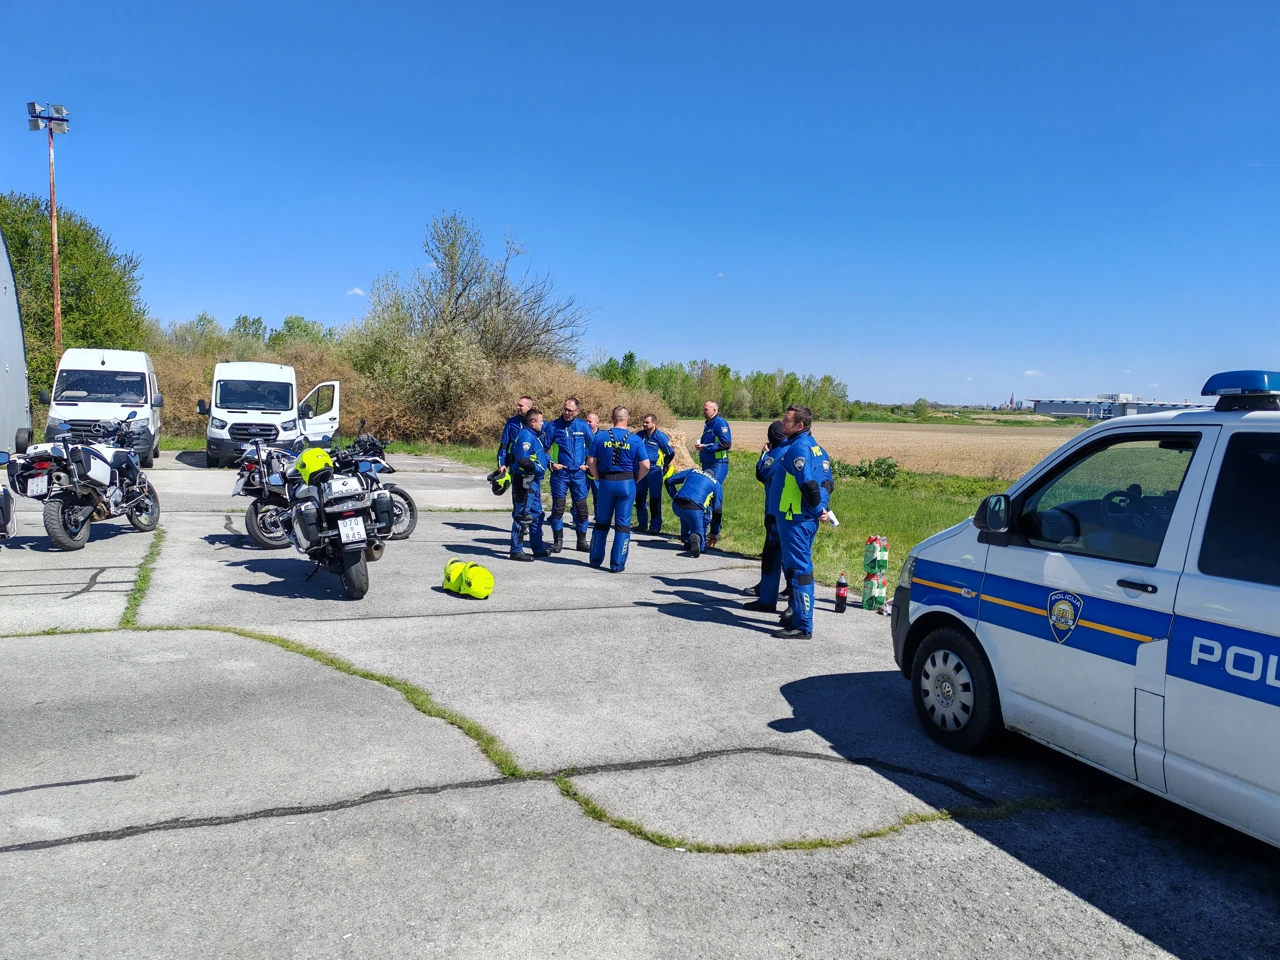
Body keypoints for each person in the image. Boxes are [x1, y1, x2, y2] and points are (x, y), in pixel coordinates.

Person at [769, 405, 834, 639]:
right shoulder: (817, 448)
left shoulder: (799, 448)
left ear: (800, 425)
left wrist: (818, 510)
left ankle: (803, 625)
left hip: (795, 518)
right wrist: (822, 507)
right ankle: (796, 614)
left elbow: (809, 484)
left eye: (786, 420)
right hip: (796, 517)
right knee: (795, 567)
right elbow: (828, 482)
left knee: (799, 570)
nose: (781, 423)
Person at [586, 406, 650, 572]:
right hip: (627, 483)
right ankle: (617, 564)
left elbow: (591, 462)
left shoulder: (600, 437)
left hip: (606, 483)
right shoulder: (636, 439)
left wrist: (598, 477)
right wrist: (637, 479)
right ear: (627, 419)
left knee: (601, 523)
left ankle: (595, 559)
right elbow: (646, 465)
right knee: (622, 525)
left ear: (612, 418)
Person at [743, 419, 791, 608]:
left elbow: (762, 473)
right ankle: (771, 588)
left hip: (776, 509)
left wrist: (764, 454)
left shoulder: (779, 451)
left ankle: (772, 591)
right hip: (784, 508)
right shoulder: (794, 447)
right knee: (780, 552)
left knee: (775, 553)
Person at [544, 397, 594, 553]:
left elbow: (594, 448)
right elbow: (542, 450)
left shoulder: (583, 426)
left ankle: (582, 541)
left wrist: (587, 465)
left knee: (582, 509)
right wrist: (551, 463)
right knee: (558, 508)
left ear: (577, 411)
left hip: (579, 474)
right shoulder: (553, 426)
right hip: (561, 474)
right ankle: (557, 542)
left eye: (570, 411)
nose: (566, 413)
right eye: (565, 409)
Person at [509, 409, 551, 562]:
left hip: (534, 482)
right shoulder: (526, 436)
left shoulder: (535, 435)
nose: (543, 423)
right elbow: (523, 460)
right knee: (523, 515)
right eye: (541, 421)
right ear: (533, 422)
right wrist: (538, 468)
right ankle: (516, 550)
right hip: (525, 482)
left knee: (537, 514)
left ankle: (537, 547)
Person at [695, 400, 732, 546]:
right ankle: (704, 530)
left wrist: (706, 447)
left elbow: (726, 444)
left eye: (706, 409)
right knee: (705, 496)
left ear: (714, 410)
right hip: (707, 464)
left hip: (718, 465)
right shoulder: (708, 424)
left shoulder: (720, 423)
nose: (704, 411)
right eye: (703, 409)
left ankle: (714, 532)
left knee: (712, 497)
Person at [664, 468, 723, 558]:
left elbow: (668, 481)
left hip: (677, 504)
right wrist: (714, 532)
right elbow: (717, 511)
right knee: (701, 546)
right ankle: (697, 539)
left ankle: (687, 539)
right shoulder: (716, 484)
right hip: (694, 509)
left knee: (685, 516)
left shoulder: (693, 471)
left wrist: (675, 497)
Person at [633, 413, 675, 535]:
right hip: (640, 470)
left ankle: (655, 526)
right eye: (644, 422)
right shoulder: (639, 435)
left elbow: (671, 453)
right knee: (640, 497)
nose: (644, 424)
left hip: (654, 471)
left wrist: (665, 465)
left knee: (654, 499)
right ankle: (642, 524)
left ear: (654, 423)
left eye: (647, 422)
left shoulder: (661, 437)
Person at [496, 396, 535, 478]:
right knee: (517, 490)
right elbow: (504, 444)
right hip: (515, 465)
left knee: (531, 490)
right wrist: (501, 464)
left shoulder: (538, 422)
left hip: (532, 465)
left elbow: (544, 446)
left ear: (529, 407)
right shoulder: (511, 422)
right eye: (517, 405)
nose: (518, 407)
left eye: (521, 406)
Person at [585, 412, 600, 513]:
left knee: (599, 496)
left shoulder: (603, 436)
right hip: (582, 470)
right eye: (586, 421)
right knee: (580, 496)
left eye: (590, 421)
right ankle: (579, 519)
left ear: (597, 423)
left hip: (597, 471)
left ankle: (599, 518)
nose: (587, 423)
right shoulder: (582, 434)